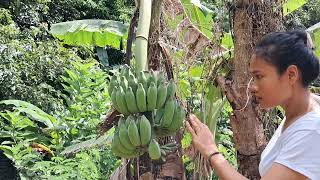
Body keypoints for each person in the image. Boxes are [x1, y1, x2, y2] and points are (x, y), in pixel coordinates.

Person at [186, 30, 320, 180]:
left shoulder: (311, 131)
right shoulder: (299, 112)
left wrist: (211, 151)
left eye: (259, 76)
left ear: (291, 75)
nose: (252, 87)